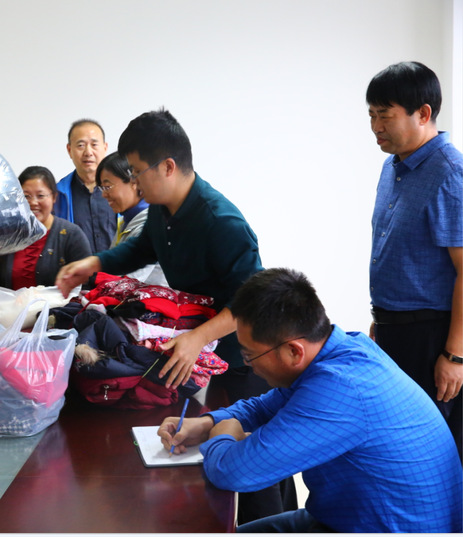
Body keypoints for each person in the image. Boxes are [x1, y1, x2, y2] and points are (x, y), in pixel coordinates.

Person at [56, 109, 295, 523]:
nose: (134, 183)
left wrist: (197, 338)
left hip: (248, 354)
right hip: (207, 348)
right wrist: (93, 263)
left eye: (137, 172)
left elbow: (250, 301)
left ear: (168, 166)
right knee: (218, 446)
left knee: (255, 460)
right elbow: (139, 250)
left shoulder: (221, 221)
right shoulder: (163, 210)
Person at [159, 268, 463, 532]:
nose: (249, 366)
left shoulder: (341, 390)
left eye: (249, 356)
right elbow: (266, 405)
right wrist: (208, 422)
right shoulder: (345, 350)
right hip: (347, 518)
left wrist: (222, 435)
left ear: (293, 351)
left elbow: (232, 472)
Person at [366, 61, 463, 459]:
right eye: (371, 115)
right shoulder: (393, 167)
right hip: (394, 330)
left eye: (385, 116)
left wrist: (455, 356)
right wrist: (382, 320)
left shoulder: (449, 173)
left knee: (430, 453)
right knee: (396, 448)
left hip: (433, 338)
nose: (376, 127)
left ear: (423, 114)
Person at [0, 166, 91, 289]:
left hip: (61, 302)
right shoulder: (7, 236)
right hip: (12, 302)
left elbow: (87, 284)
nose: (33, 202)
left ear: (54, 197)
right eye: (26, 196)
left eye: (40, 196)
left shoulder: (72, 235)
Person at [95, 151, 166, 285]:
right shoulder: (126, 220)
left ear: (134, 182)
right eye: (102, 188)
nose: (104, 195)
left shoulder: (149, 223)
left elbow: (128, 281)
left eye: (107, 187)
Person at [53, 119, 116, 253]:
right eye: (81, 145)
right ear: (69, 150)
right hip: (76, 266)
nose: (88, 152)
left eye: (94, 144)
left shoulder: (123, 189)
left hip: (120, 266)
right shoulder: (57, 195)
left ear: (105, 148)